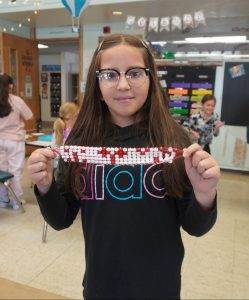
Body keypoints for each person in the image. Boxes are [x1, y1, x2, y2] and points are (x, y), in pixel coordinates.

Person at [27, 33, 220, 300]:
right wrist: (45, 186)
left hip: (160, 287)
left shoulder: (176, 140)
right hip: (101, 285)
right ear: (96, 82)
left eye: (134, 73)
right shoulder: (81, 142)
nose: (123, 85)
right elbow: (61, 219)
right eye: (110, 74)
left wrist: (204, 195)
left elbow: (196, 227)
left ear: (150, 77)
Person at [0, 73, 33, 209]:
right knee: (15, 172)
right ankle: (16, 201)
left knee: (2, 171)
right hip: (15, 141)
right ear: (11, 86)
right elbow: (29, 116)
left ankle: (3, 200)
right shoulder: (16, 101)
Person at [51, 102, 79, 168]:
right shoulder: (73, 134)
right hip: (67, 169)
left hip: (56, 167)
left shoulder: (56, 131)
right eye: (77, 116)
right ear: (72, 117)